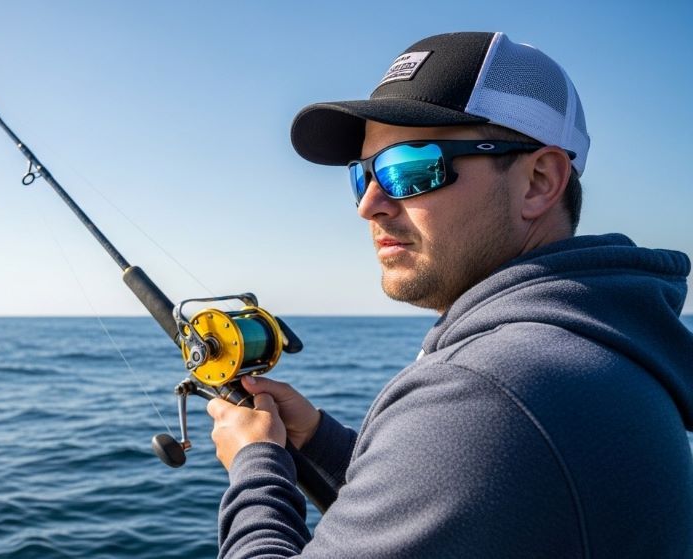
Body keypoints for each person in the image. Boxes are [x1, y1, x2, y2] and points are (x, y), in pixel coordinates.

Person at [207, 31, 693, 558]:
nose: (369, 205)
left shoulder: (486, 390)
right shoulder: (595, 348)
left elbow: (475, 436)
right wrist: (316, 440)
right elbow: (468, 503)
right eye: (363, 175)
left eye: (409, 169)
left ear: (538, 181)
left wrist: (255, 464)